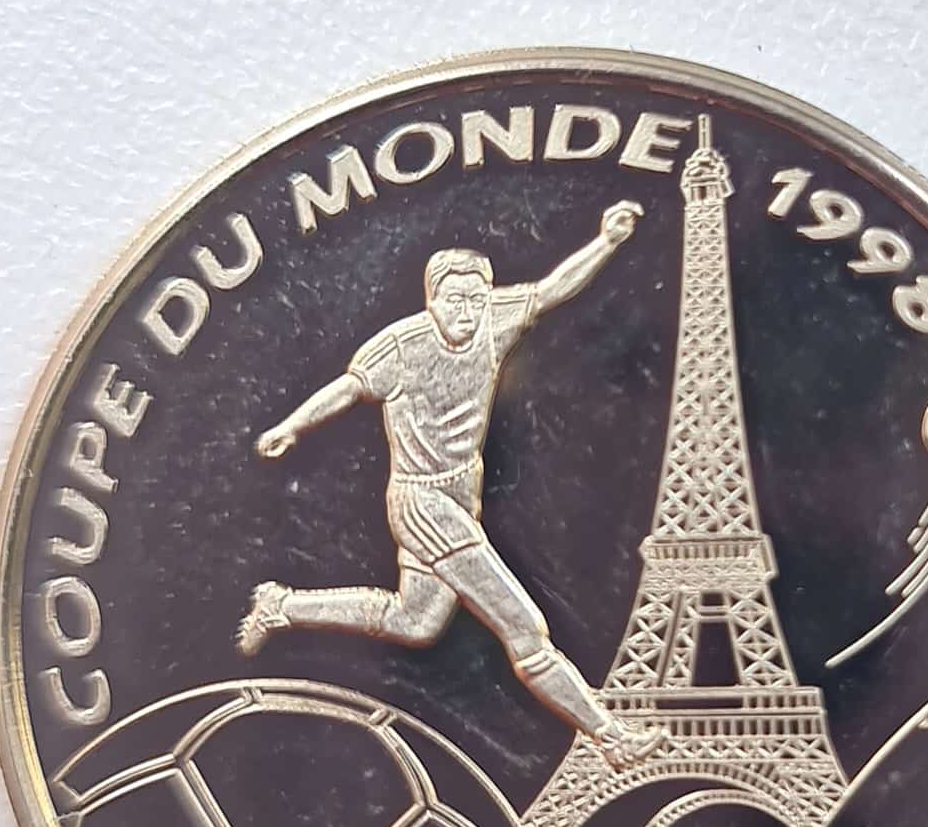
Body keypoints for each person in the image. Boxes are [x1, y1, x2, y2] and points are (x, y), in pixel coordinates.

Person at [239, 200, 665, 770]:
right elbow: (348, 389)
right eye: (454, 299)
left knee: (415, 622)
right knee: (524, 626)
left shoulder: (494, 320)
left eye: (475, 299)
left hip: (461, 494)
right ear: (431, 300)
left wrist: (607, 241)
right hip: (422, 503)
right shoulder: (400, 347)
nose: (466, 310)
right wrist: (291, 427)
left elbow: (551, 290)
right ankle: (609, 736)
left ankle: (283, 605)